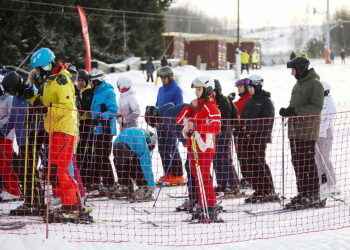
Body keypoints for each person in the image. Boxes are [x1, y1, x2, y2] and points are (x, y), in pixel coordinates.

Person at [27, 47, 91, 222]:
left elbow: (66, 107)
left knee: (58, 170)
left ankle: (72, 207)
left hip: (65, 128)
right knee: (55, 171)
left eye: (39, 69)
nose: (38, 73)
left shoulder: (62, 80)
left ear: (47, 65)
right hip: (55, 129)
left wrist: (46, 108)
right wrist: (32, 98)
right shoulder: (50, 81)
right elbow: (46, 104)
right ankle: (73, 203)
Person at [280, 56, 325, 210]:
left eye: (293, 70)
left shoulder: (315, 84)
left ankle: (312, 194)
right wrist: (288, 111)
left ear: (301, 69)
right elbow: (296, 106)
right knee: (297, 163)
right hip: (295, 131)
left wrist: (295, 111)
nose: (292, 73)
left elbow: (316, 107)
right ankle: (303, 192)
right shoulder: (298, 85)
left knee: (307, 163)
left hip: (307, 131)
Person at [176, 76, 222, 223]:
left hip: (205, 146)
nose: (197, 92)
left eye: (200, 89)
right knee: (197, 177)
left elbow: (216, 127)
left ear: (207, 89)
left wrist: (197, 127)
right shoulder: (196, 106)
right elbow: (179, 119)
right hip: (193, 146)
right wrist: (190, 106)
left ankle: (209, 208)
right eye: (196, 89)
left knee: (203, 177)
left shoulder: (211, 106)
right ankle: (203, 206)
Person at [1, 71, 45, 215]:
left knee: (28, 170)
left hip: (32, 137)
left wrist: (33, 125)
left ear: (18, 85)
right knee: (25, 170)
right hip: (21, 140)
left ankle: (33, 203)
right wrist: (3, 131)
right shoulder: (15, 99)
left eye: (12, 90)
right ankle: (33, 202)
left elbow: (40, 111)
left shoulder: (31, 92)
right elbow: (13, 118)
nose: (12, 93)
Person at [239, 75, 279, 203]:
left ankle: (268, 189)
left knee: (259, 162)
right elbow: (244, 119)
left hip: (259, 138)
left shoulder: (266, 101)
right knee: (251, 164)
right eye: (249, 87)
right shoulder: (249, 101)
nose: (250, 89)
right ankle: (259, 189)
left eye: (252, 87)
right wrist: (240, 128)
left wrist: (252, 130)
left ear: (258, 86)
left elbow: (267, 121)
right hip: (247, 138)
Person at [88, 68, 118, 196]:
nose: (89, 84)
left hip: (106, 129)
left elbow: (113, 111)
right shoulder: (96, 91)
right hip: (97, 129)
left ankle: (110, 184)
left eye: (91, 81)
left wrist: (100, 117)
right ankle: (101, 182)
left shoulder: (108, 92)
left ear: (96, 81)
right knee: (98, 156)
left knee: (103, 156)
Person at [155, 66, 184, 185]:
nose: (162, 79)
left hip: (171, 123)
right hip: (160, 123)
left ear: (170, 76)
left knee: (171, 147)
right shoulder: (161, 90)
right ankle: (168, 173)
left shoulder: (177, 89)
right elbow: (157, 105)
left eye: (164, 77)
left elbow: (180, 106)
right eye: (160, 77)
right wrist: (155, 118)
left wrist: (174, 121)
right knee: (162, 148)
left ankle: (178, 174)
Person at [112, 127, 156, 202]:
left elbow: (147, 165)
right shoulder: (116, 144)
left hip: (146, 140)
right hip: (130, 142)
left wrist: (151, 184)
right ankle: (125, 187)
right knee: (118, 162)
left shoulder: (140, 146)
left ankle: (144, 188)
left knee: (137, 163)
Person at [212, 79, 240, 196]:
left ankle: (233, 184)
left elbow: (227, 117)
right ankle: (222, 183)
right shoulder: (212, 101)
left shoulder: (223, 101)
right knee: (216, 159)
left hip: (224, 134)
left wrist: (223, 130)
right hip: (215, 134)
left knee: (224, 158)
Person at [0, 71, 22, 207]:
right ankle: (7, 188)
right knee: (1, 165)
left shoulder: (9, 98)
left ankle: (14, 190)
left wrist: (2, 127)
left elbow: (11, 116)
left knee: (5, 163)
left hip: (6, 135)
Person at [228, 78, 252, 188]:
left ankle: (250, 177)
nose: (238, 89)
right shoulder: (241, 99)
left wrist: (229, 103)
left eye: (241, 87)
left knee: (246, 156)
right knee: (241, 156)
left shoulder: (248, 99)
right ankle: (246, 177)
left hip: (245, 132)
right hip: (238, 132)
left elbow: (236, 109)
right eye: (238, 87)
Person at [316, 81, 339, 196]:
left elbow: (329, 120)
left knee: (325, 158)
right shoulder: (317, 101)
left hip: (326, 134)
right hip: (316, 134)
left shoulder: (329, 102)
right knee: (317, 159)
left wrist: (318, 129)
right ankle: (321, 183)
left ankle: (332, 184)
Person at [75, 69, 95, 190]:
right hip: (78, 125)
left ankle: (88, 178)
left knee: (87, 151)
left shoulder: (89, 92)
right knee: (79, 151)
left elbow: (89, 108)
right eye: (78, 80)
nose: (80, 83)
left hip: (88, 124)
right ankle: (81, 177)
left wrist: (85, 115)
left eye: (82, 80)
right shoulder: (77, 91)